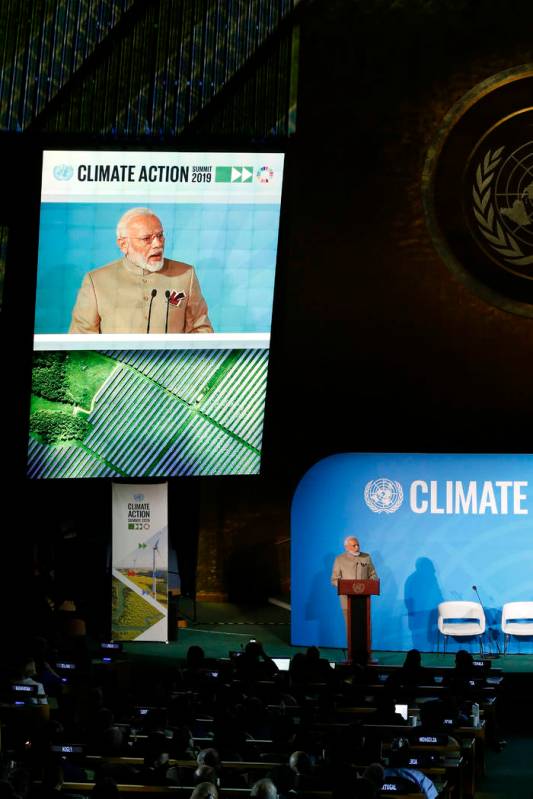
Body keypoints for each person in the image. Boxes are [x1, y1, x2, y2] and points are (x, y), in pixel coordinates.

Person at [69, 207, 213, 334]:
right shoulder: (96, 281)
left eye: (160, 235)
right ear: (123, 244)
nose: (158, 244)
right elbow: (81, 341)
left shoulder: (185, 275)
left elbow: (200, 330)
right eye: (146, 239)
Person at [330, 536, 378, 624]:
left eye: (358, 545)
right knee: (350, 625)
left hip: (363, 598)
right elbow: (334, 580)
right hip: (347, 599)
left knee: (365, 625)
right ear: (346, 547)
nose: (357, 547)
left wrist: (369, 583)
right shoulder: (340, 559)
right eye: (354, 545)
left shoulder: (366, 557)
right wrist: (346, 586)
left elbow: (373, 574)